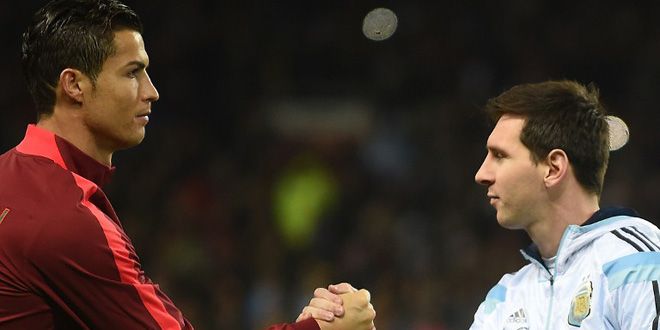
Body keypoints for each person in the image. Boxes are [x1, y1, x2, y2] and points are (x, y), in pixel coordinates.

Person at [0, 0, 376, 329]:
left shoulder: (12, 179)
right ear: (74, 85)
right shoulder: (68, 220)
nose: (151, 91)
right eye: (132, 72)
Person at [305, 80, 660, 328]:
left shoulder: (638, 262)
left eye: (499, 156)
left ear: (553, 168)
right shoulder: (506, 298)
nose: (481, 174)